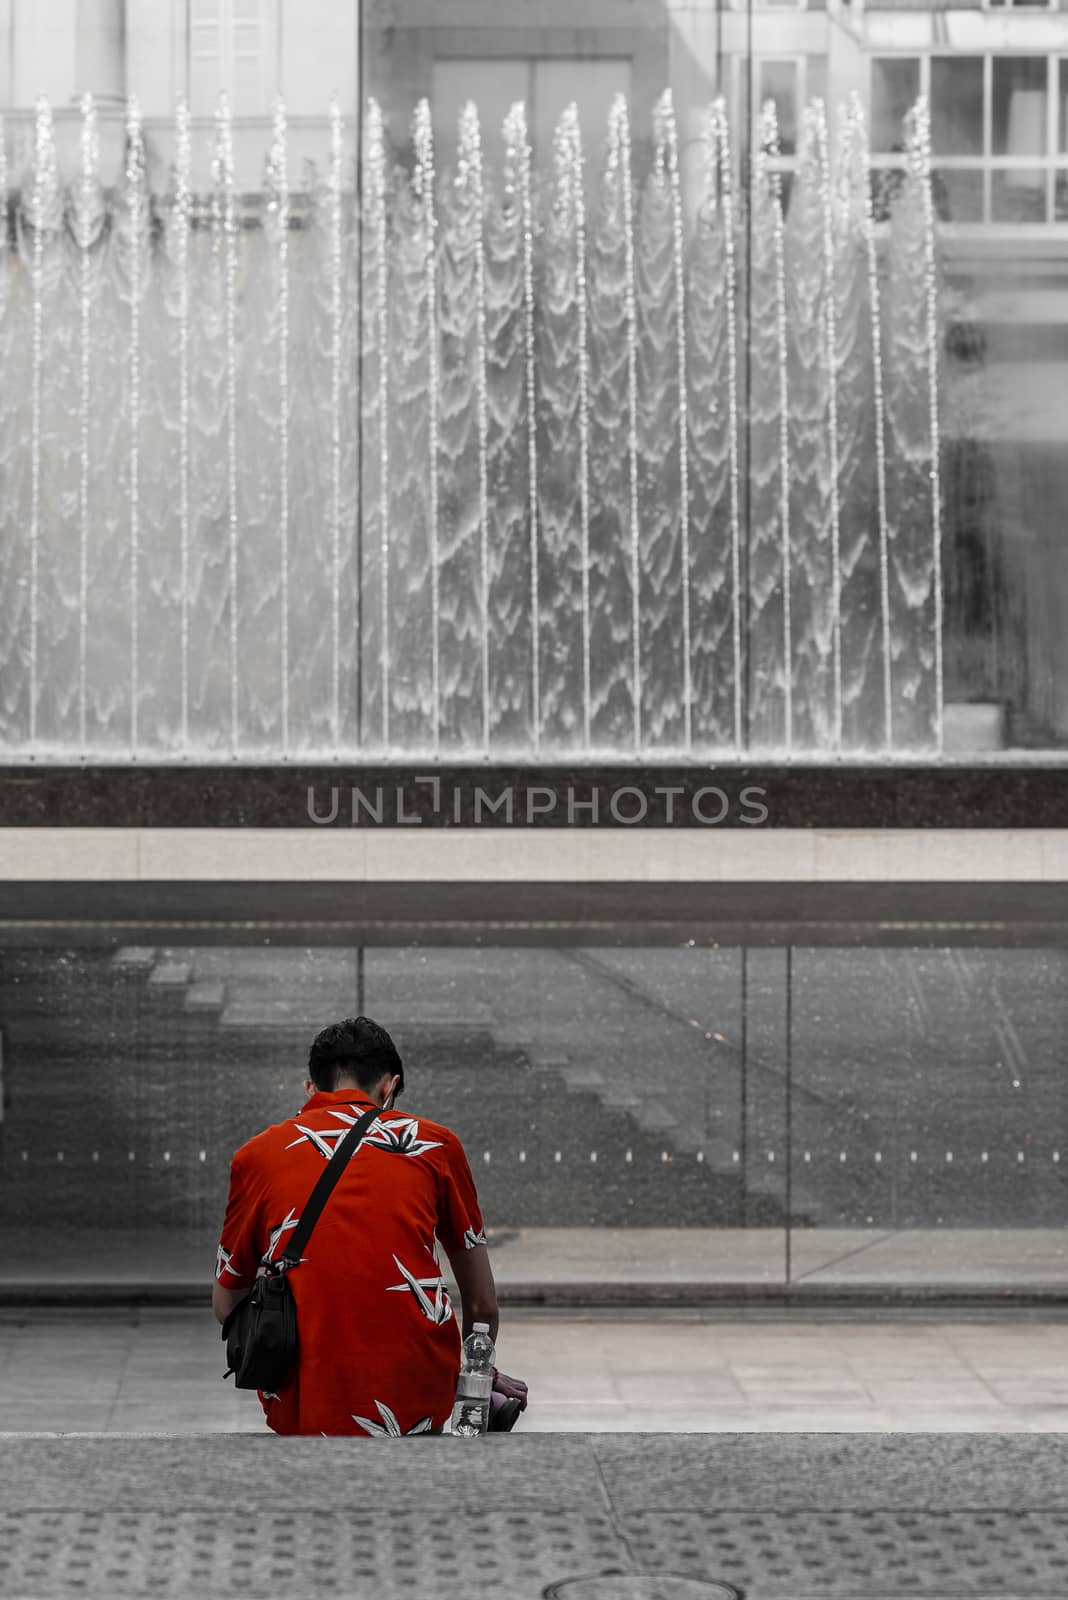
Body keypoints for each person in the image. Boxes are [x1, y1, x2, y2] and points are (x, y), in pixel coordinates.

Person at [212, 1015, 528, 1436]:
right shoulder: (436, 1146)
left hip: (304, 1399)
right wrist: (476, 1385)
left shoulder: (256, 1156)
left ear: (311, 1088)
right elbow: (482, 1305)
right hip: (415, 1395)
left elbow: (227, 1301)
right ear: (389, 1086)